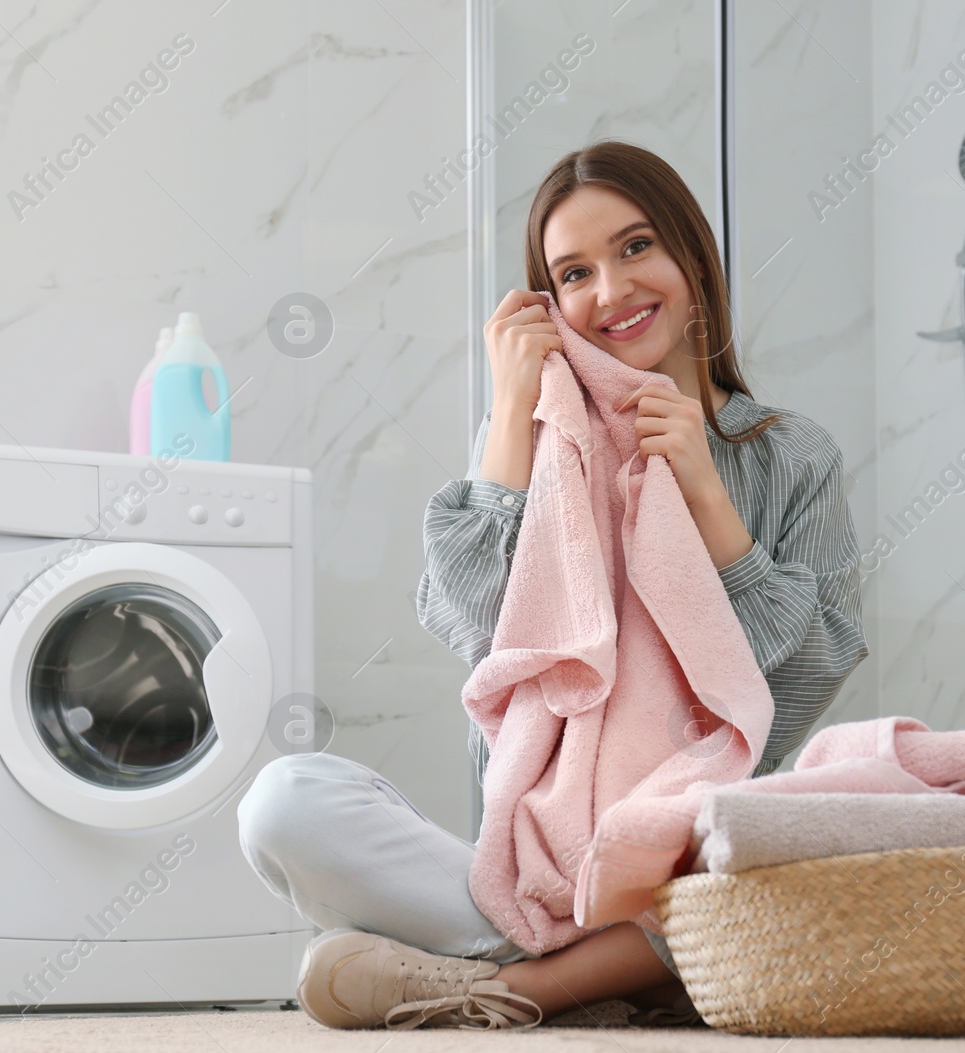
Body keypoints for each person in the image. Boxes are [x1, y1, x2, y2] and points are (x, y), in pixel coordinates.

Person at [238, 139, 869, 1031]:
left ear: (692, 254)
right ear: (549, 302)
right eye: (574, 272)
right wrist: (508, 415)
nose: (610, 291)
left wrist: (704, 493)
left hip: (693, 860)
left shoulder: (791, 453)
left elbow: (798, 689)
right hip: (531, 863)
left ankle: (498, 989)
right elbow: (477, 631)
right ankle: (621, 972)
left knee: (812, 859)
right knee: (285, 801)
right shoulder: (539, 438)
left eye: (637, 247)